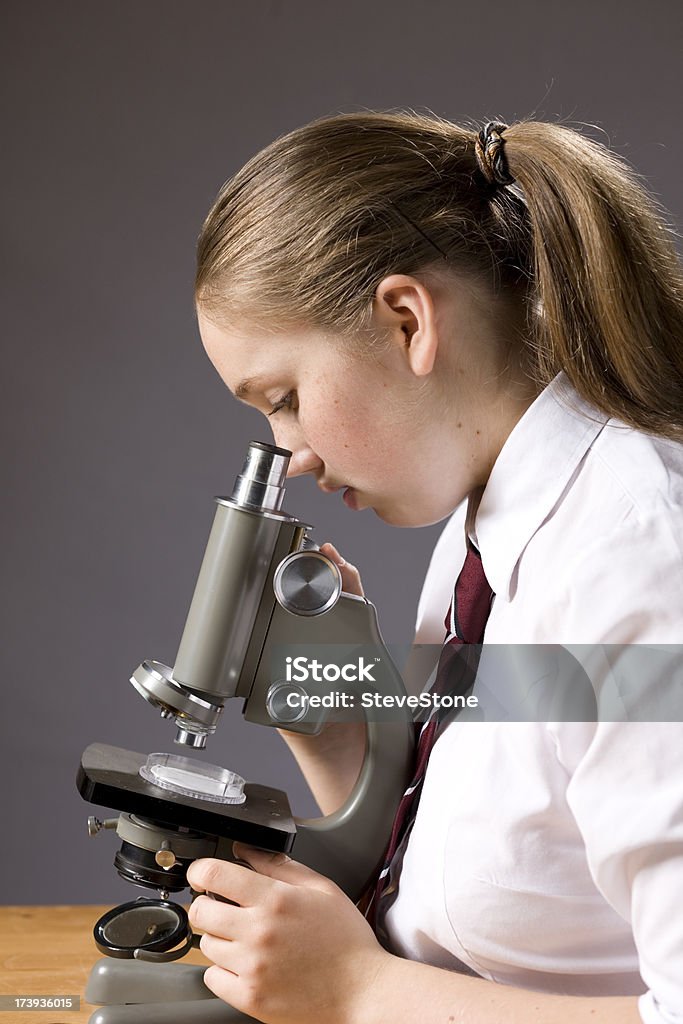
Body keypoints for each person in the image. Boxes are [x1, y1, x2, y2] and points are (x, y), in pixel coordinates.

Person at [184, 111, 683, 1024]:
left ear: (407, 319)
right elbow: (478, 877)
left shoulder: (637, 559)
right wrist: (338, 730)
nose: (285, 452)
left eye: (285, 398)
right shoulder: (481, 520)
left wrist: (354, 990)